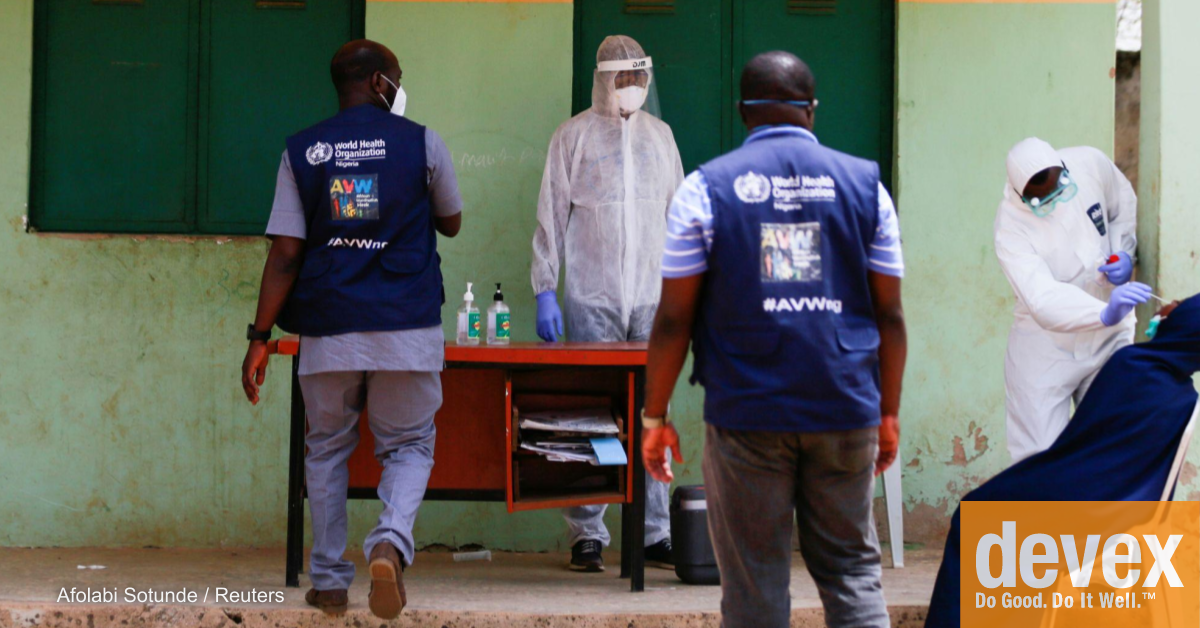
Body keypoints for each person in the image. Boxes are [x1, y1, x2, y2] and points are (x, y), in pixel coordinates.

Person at [641, 51, 907, 628]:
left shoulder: (703, 191)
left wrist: (654, 418)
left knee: (755, 584)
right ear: (812, 110)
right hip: (845, 407)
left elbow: (671, 321)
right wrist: (887, 413)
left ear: (742, 112)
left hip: (747, 415)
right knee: (852, 574)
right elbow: (890, 316)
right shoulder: (868, 189)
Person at [239, 39, 462, 619]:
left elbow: (286, 254)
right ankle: (389, 543)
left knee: (327, 449)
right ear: (383, 83)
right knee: (409, 445)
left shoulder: (303, 151)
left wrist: (259, 337)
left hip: (329, 327)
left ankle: (331, 580)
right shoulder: (421, 141)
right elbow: (453, 221)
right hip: (406, 327)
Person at [925, 296, 1200, 627]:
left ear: (1186, 322)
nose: (1165, 306)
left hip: (1086, 511)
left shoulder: (1132, 365)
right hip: (1128, 518)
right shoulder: (1184, 395)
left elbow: (1077, 447)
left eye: (1177, 305)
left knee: (974, 516)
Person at [529, 34, 683, 573]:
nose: (633, 87)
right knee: (594, 415)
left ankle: (653, 531)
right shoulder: (572, 137)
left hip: (653, 298)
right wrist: (544, 287)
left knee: (652, 411)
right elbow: (551, 213)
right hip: (592, 297)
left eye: (639, 78)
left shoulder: (661, 138)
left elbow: (679, 219)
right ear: (602, 79)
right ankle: (586, 534)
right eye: (623, 78)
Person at [996, 138, 1146, 463]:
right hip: (1048, 350)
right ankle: (1041, 517)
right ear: (1020, 195)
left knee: (1113, 443)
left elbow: (1123, 208)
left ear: (1063, 168)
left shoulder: (1090, 163)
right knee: (1037, 458)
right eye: (1041, 197)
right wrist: (1104, 312)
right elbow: (1043, 299)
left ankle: (1102, 516)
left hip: (1109, 339)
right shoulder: (1010, 229)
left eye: (1057, 185)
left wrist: (1124, 251)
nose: (1053, 197)